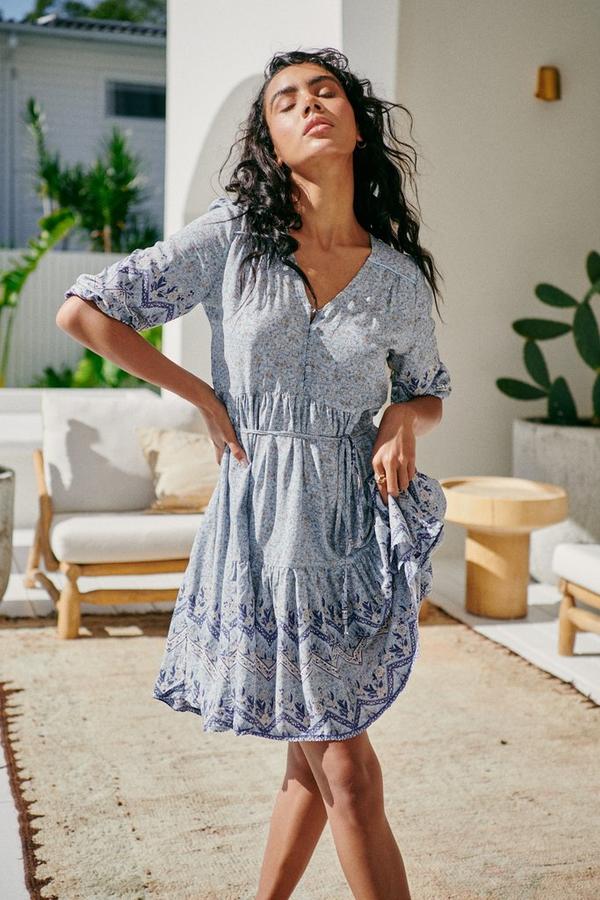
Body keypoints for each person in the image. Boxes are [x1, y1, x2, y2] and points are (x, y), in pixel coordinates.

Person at [57, 47, 452, 900]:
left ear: (355, 124)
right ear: (272, 140)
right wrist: (200, 393)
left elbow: (429, 392)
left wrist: (400, 419)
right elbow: (86, 312)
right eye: (287, 100)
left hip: (346, 533)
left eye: (326, 91)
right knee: (346, 770)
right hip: (261, 531)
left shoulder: (397, 277)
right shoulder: (235, 237)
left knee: (316, 762)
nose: (310, 104)